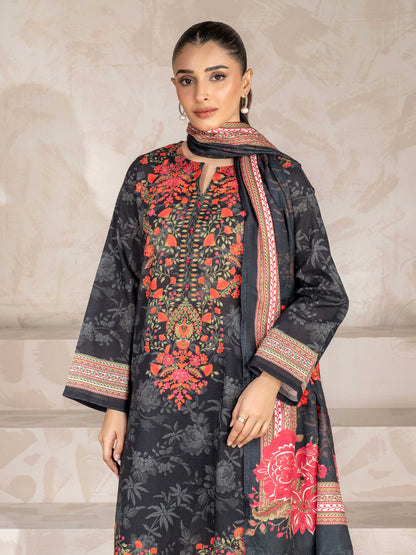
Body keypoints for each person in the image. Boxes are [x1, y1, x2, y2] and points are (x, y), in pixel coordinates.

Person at [63, 21, 354, 555]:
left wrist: (270, 380)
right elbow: (117, 289)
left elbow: (324, 291)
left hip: (247, 398)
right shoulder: (146, 175)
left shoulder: (283, 179)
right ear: (174, 86)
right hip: (158, 406)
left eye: (217, 76)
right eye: (186, 79)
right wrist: (114, 406)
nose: (201, 94)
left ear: (246, 82)